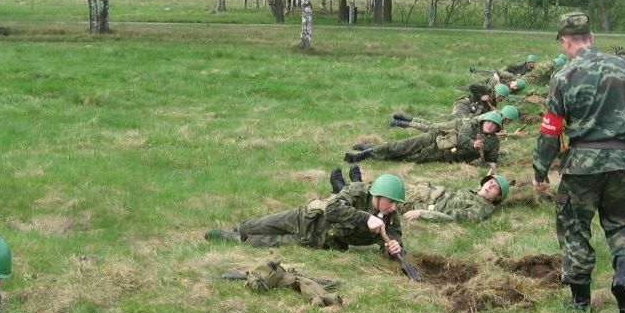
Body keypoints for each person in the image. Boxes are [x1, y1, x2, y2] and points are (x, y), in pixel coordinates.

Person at [532, 12, 625, 313]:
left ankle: (580, 301)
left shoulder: (563, 77)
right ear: (591, 38)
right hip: (622, 163)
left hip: (581, 167)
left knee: (574, 227)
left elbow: (550, 130)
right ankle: (622, 275)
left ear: (566, 42)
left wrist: (540, 171)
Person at [205, 173, 405, 257]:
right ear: (376, 195)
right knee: (255, 226)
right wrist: (365, 218)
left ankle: (233, 239)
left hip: (318, 241)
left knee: (263, 242)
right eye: (391, 201)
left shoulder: (390, 217)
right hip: (306, 218)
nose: (394, 207)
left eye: (397, 203)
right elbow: (332, 209)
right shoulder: (357, 191)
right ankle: (239, 230)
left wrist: (394, 248)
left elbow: (395, 242)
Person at [333, 166, 510, 223]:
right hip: (428, 192)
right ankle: (356, 183)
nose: (489, 186)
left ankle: (342, 187)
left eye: (494, 187)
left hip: (424, 205)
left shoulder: (481, 209)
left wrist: (423, 213)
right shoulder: (475, 193)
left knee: (386, 200)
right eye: (489, 182)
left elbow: (452, 218)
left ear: (497, 198)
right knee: (389, 186)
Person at [347, 112, 503, 170]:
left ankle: (372, 149)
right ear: (484, 121)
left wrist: (492, 163)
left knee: (407, 158)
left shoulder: (494, 142)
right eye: (489, 122)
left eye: (494, 125)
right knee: (402, 146)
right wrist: (473, 144)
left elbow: (492, 157)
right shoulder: (471, 124)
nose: (490, 125)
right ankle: (365, 153)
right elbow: (462, 138)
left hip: (444, 155)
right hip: (436, 139)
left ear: (496, 129)